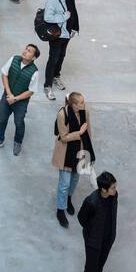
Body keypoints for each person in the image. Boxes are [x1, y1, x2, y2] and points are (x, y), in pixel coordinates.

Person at [0, 43, 41, 156]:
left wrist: (15, 99)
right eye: (26, 49)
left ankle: (18, 142)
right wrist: (9, 94)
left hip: (20, 102)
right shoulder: (13, 59)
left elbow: (31, 91)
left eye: (29, 51)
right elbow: (4, 74)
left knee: (19, 122)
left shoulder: (35, 72)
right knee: (2, 118)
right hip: (7, 96)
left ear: (34, 57)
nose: (25, 51)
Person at [52, 91, 95, 229]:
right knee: (64, 183)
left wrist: (88, 151)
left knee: (75, 178)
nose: (84, 104)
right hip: (66, 153)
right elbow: (63, 137)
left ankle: (68, 199)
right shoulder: (62, 114)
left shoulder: (85, 111)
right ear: (73, 104)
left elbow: (89, 131)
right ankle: (60, 209)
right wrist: (80, 133)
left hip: (80, 151)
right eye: (82, 102)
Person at [77, 172, 118, 272]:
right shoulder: (91, 202)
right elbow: (81, 219)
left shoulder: (114, 196)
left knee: (100, 264)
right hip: (93, 241)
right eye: (113, 187)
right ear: (103, 189)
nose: (115, 190)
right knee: (90, 269)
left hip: (108, 238)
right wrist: (92, 231)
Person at [42, 0, 77, 100]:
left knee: (61, 56)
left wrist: (75, 28)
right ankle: (47, 85)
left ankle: (56, 76)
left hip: (66, 34)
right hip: (57, 36)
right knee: (53, 59)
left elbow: (74, 12)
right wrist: (64, 17)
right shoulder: (53, 0)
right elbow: (47, 17)